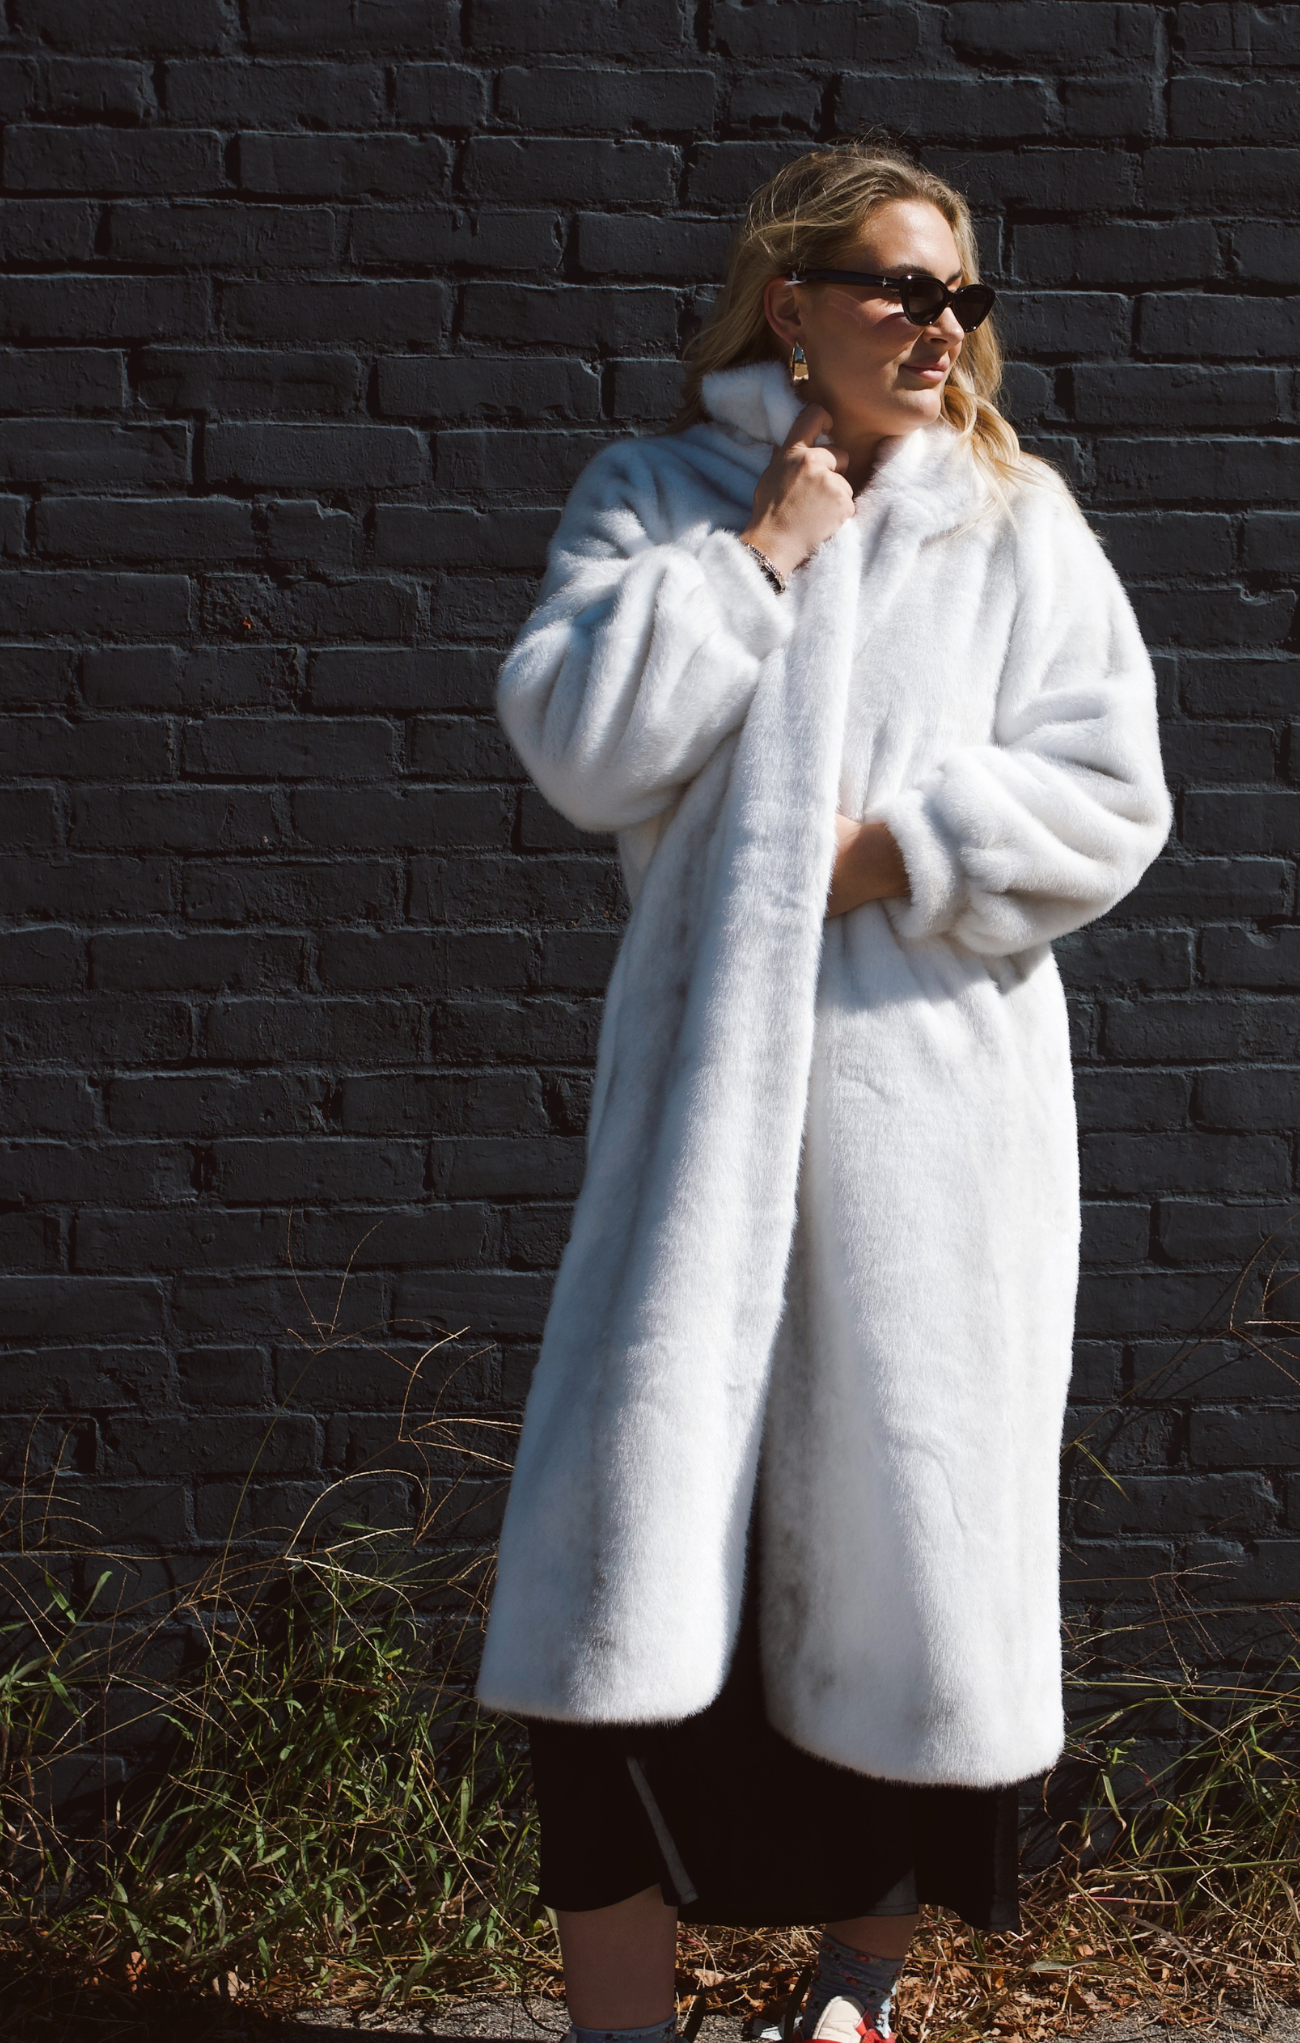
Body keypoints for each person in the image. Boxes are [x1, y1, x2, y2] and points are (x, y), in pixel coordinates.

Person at [476, 143, 1171, 2043]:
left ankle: (852, 2001)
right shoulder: (662, 497)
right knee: (626, 1598)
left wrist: (908, 853)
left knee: (919, 1585)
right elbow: (581, 747)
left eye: (960, 294)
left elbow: (1116, 797)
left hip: (931, 1145)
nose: (938, 324)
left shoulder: (1020, 528)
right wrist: (758, 559)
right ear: (794, 306)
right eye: (897, 287)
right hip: (702, 1140)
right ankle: (625, 2022)